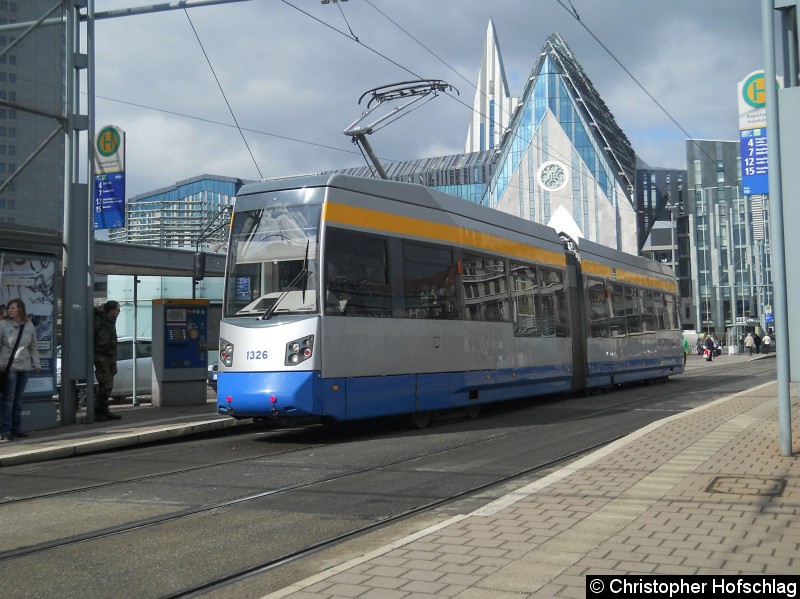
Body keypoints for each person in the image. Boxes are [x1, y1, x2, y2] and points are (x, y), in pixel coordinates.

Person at [0, 299, 41, 442]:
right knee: (8, 399)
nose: (9, 310)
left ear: (20, 310)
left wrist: (37, 364)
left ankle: (17, 429)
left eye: (13, 308)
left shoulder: (29, 325)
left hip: (24, 366)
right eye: (9, 308)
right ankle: (5, 430)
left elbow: (33, 346)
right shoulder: (3, 325)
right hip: (9, 367)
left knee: (18, 399)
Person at [93, 300, 122, 422]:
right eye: (118, 309)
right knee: (107, 384)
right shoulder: (98, 319)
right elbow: (92, 335)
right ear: (112, 310)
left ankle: (104, 409)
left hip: (110, 355)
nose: (119, 312)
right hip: (100, 355)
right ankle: (97, 410)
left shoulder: (111, 320)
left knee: (107, 384)